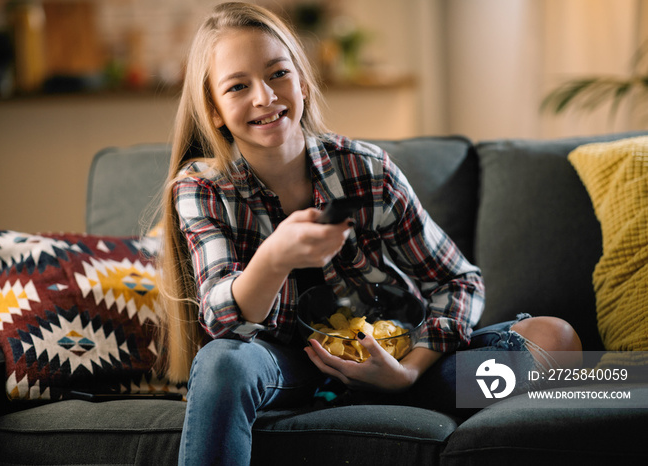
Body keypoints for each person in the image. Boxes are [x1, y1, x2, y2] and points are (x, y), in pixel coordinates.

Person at [155, 3, 583, 465]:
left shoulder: (364, 168)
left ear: (300, 80)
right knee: (223, 363)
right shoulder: (201, 187)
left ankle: (399, 394)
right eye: (238, 86)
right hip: (285, 372)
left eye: (278, 73)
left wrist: (405, 372)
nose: (264, 96)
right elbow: (225, 322)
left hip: (400, 365)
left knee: (556, 337)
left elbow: (456, 282)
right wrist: (275, 257)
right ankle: (357, 397)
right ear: (214, 110)